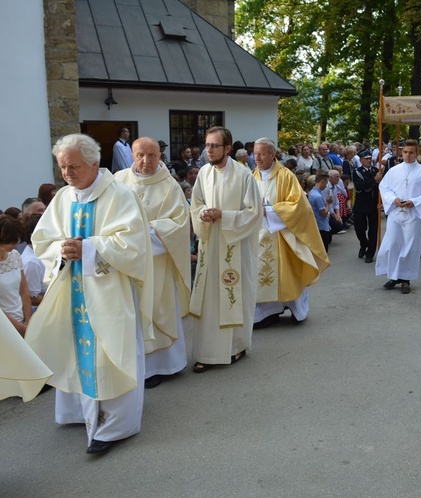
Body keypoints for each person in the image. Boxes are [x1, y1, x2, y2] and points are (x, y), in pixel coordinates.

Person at [25, 133, 153, 455]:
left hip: (109, 291)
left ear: (94, 164)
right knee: (72, 348)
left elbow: (134, 245)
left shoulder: (119, 196)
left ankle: (115, 425)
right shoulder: (64, 198)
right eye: (63, 167)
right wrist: (63, 250)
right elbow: (43, 242)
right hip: (73, 290)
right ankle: (77, 412)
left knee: (110, 353)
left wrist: (90, 248)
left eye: (74, 166)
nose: (67, 173)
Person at [115, 138, 192, 387]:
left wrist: (145, 233)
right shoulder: (118, 181)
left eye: (151, 155)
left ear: (160, 156)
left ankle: (163, 365)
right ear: (132, 155)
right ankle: (135, 365)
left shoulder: (170, 186)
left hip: (157, 262)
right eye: (140, 155)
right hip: (127, 261)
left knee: (159, 308)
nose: (146, 161)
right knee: (133, 311)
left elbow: (180, 224)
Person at [189, 127, 263, 372]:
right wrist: (203, 214)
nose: (208, 150)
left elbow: (254, 213)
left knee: (233, 295)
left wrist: (224, 216)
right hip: (211, 244)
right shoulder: (203, 174)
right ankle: (207, 352)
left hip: (235, 246)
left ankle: (235, 347)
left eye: (214, 146)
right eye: (207, 145)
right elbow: (196, 203)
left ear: (227, 148)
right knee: (210, 299)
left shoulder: (243, 175)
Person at [252, 137, 329, 328]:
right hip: (258, 235)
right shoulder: (250, 177)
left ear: (272, 154)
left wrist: (270, 211)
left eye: (261, 154)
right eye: (255, 154)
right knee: (262, 276)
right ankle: (267, 312)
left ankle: (297, 310)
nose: (257, 158)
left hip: (282, 234)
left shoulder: (286, 176)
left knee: (289, 275)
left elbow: (299, 206)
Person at [375, 139, 421, 295]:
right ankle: (394, 276)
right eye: (405, 152)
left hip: (412, 215)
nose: (408, 155)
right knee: (393, 244)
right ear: (401, 153)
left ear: (416, 153)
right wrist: (393, 199)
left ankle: (405, 279)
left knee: (409, 247)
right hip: (396, 213)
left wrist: (414, 202)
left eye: (411, 152)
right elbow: (384, 187)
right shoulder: (394, 170)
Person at [0, 215, 31, 336]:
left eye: (16, 240)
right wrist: (18, 326)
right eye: (10, 241)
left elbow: (24, 290)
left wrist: (28, 319)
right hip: (5, 325)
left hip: (21, 318)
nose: (14, 244)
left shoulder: (15, 255)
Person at [352, 150, 383, 263]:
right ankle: (363, 243)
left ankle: (370, 253)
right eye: (366, 159)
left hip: (373, 205)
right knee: (359, 228)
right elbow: (360, 187)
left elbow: (382, 188)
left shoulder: (376, 171)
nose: (369, 160)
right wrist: (374, 180)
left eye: (370, 158)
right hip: (361, 204)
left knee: (373, 230)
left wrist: (382, 202)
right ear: (361, 160)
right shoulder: (356, 172)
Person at [308, 174, 333, 251]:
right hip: (322, 225)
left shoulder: (312, 192)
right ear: (322, 182)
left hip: (317, 224)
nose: (326, 186)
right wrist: (328, 203)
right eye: (326, 183)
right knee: (324, 250)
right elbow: (324, 213)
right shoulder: (318, 196)